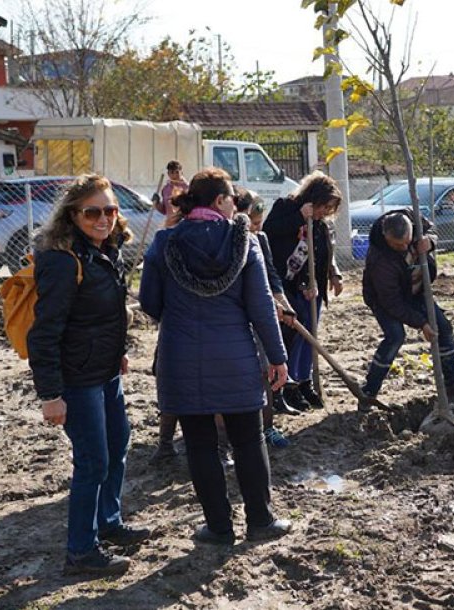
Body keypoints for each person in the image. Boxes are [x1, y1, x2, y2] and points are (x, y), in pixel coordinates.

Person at [139, 168, 291, 545]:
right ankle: (260, 521)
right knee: (248, 438)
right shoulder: (246, 244)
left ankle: (219, 528)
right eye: (232, 200)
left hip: (180, 358)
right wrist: (277, 356)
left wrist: (177, 315)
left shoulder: (165, 242)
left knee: (200, 444)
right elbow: (261, 307)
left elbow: (148, 302)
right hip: (236, 357)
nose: (237, 206)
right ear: (220, 201)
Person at [27, 174, 149, 576]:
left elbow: (105, 315)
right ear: (73, 215)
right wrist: (50, 395)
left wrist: (118, 355)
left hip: (104, 372)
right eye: (93, 212)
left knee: (118, 446)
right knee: (93, 461)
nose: (103, 218)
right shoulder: (64, 261)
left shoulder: (105, 249)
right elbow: (43, 333)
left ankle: (108, 523)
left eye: (110, 210)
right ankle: (80, 552)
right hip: (76, 379)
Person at [360, 209, 454, 407]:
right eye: (397, 244)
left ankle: (453, 381)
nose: (403, 247)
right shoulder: (380, 260)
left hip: (418, 290)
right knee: (395, 336)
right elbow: (392, 303)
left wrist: (430, 243)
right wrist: (421, 323)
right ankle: (369, 390)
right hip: (385, 300)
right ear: (386, 237)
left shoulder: (413, 220)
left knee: (443, 327)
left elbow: (432, 230)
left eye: (406, 242)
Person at [263, 171, 344, 411]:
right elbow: (269, 232)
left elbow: (323, 252)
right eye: (324, 207)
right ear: (313, 198)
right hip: (285, 285)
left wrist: (333, 274)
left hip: (312, 287)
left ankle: (304, 380)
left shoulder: (320, 223)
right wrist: (299, 216)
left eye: (330, 209)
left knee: (310, 335)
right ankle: (287, 384)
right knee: (293, 333)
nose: (325, 213)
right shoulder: (286, 207)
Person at [236, 187, 295, 448]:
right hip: (235, 319)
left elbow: (271, 277)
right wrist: (269, 302)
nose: (256, 230)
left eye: (259, 225)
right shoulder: (230, 243)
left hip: (258, 317)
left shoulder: (260, 240)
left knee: (265, 371)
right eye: (252, 224)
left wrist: (284, 303)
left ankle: (267, 428)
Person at [152, 160, 189, 228]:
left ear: (182, 172)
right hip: (170, 225)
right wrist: (157, 203)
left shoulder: (188, 188)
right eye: (172, 172)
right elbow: (164, 210)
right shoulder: (165, 189)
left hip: (185, 225)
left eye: (177, 172)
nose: (175, 175)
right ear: (168, 174)